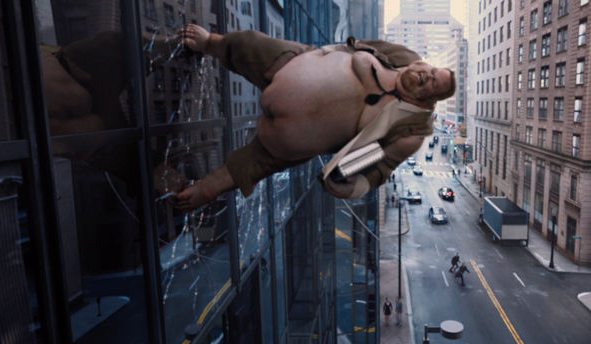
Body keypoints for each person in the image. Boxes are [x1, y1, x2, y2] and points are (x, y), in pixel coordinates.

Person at [171, 26, 456, 211]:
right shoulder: (403, 55)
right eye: (431, 72)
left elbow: (378, 164)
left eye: (434, 85)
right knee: (250, 44)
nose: (426, 78)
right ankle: (209, 43)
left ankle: (205, 189)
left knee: (251, 166)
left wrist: (346, 179)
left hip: (289, 142)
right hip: (289, 63)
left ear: (429, 100)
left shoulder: (409, 132)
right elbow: (353, 45)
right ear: (422, 63)